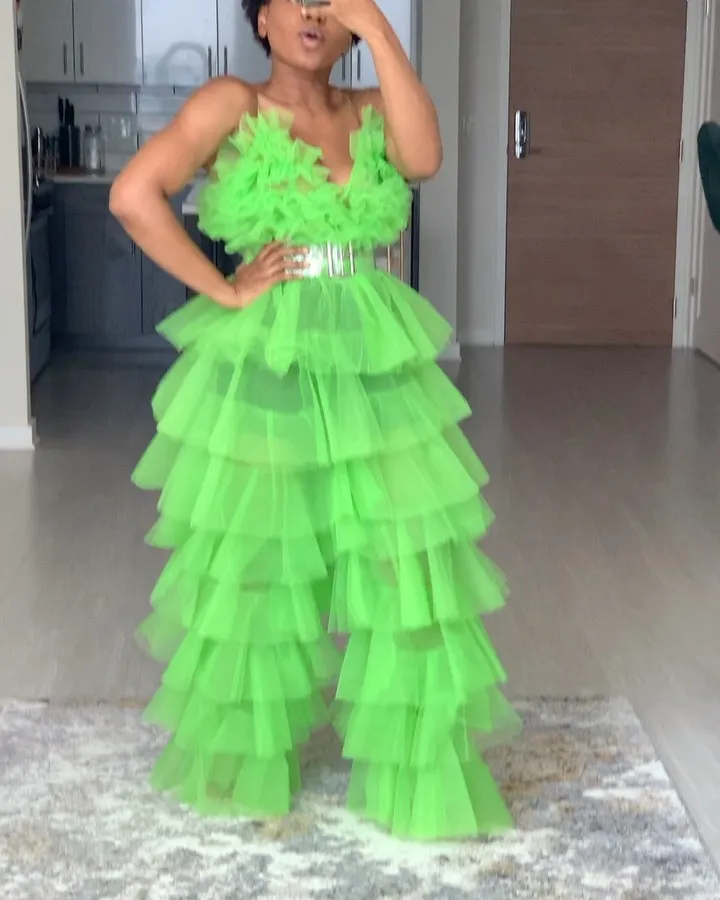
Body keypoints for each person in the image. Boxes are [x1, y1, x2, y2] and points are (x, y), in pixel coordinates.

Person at [110, 0, 519, 841]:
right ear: (261, 20)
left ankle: (416, 779)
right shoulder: (232, 104)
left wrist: (381, 30)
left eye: (332, 4)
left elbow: (425, 157)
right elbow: (132, 194)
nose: (311, 12)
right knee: (260, 563)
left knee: (407, 561)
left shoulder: (371, 110)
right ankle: (246, 765)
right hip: (271, 357)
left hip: (372, 357)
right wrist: (223, 289)